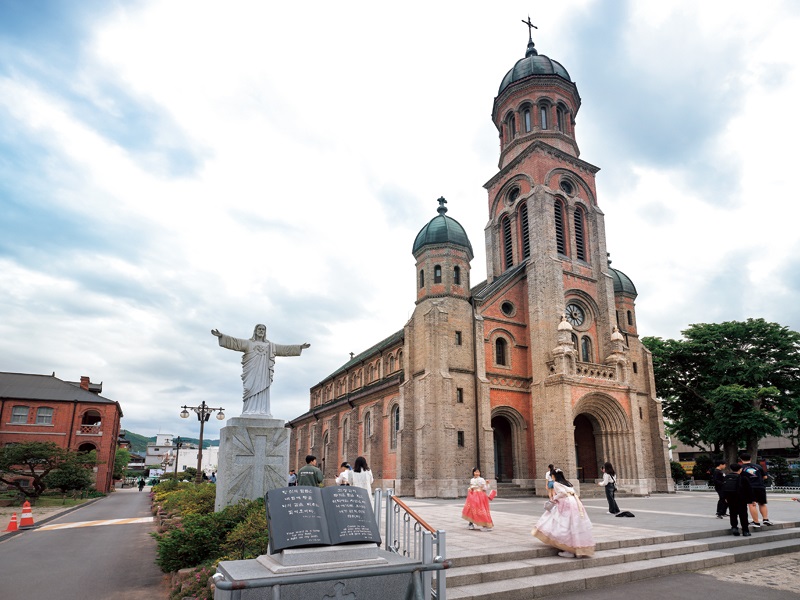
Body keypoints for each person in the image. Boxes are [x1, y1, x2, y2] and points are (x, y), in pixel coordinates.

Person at [211, 324, 310, 417]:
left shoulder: (270, 346)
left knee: (263, 389)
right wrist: (221, 336)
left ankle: (263, 411)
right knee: (249, 388)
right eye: (259, 329)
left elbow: (284, 349)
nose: (261, 331)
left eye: (263, 329)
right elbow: (235, 342)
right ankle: (248, 410)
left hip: (264, 373)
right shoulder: (248, 343)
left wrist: (299, 347)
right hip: (251, 371)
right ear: (255, 331)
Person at [532, 469, 594, 558]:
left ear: (554, 476)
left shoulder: (556, 483)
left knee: (563, 522)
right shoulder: (567, 482)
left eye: (552, 475)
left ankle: (568, 549)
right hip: (574, 502)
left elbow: (562, 493)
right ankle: (576, 548)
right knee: (574, 523)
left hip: (566, 502)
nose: (551, 477)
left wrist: (554, 498)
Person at [740, 452, 772, 527]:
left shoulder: (741, 468)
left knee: (752, 504)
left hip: (749, 488)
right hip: (760, 486)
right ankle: (765, 519)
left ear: (741, 459)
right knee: (762, 503)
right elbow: (765, 477)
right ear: (750, 458)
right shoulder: (758, 466)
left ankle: (756, 522)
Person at [723, 462, 752, 537]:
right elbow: (749, 489)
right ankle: (745, 530)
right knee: (743, 514)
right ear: (740, 469)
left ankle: (734, 528)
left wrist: (725, 497)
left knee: (733, 513)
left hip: (730, 498)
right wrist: (750, 500)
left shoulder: (726, 477)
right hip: (741, 499)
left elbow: (724, 488)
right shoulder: (743, 478)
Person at [461, 467, 494, 532]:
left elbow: (485, 488)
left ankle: (486, 525)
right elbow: (471, 487)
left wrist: (487, 483)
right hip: (473, 496)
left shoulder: (481, 479)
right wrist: (470, 488)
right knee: (471, 509)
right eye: (476, 472)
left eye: (478, 472)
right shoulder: (472, 480)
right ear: (473, 472)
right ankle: (471, 524)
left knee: (481, 509)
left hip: (480, 496)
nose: (477, 473)